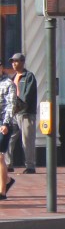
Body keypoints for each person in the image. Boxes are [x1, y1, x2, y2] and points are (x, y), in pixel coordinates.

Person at [6, 52, 37, 175]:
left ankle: (30, 166)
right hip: (13, 113)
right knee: (8, 138)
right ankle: (8, 164)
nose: (14, 63)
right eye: (12, 61)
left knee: (27, 140)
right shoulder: (12, 78)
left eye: (16, 61)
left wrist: (20, 105)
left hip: (25, 113)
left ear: (23, 62)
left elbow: (27, 95)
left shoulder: (28, 76)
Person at [0, 69, 15, 201]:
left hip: (2, 123)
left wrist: (6, 123)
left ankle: (2, 192)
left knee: (0, 156)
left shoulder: (8, 83)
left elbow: (11, 105)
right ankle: (7, 180)